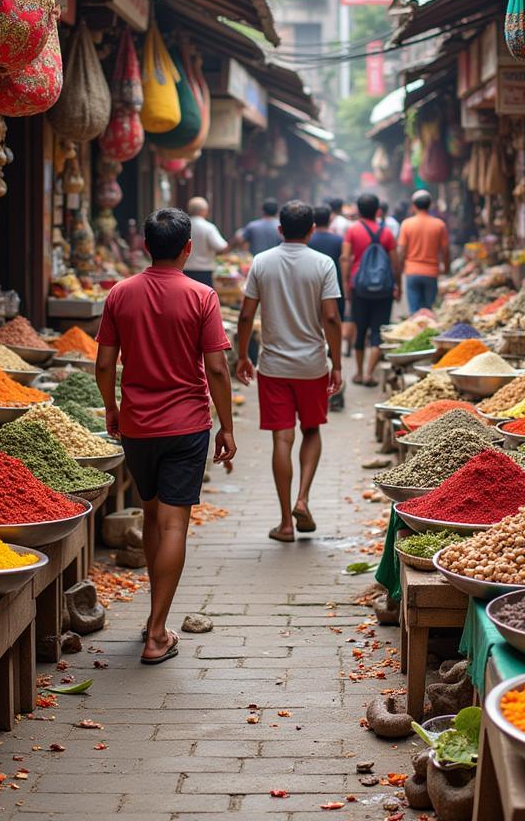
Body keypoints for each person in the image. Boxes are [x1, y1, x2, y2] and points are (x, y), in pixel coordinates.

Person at [96, 208, 236, 665]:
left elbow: (104, 364)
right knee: (174, 524)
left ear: (145, 246)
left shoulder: (120, 293)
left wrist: (112, 408)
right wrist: (227, 425)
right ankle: (157, 632)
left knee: (152, 515)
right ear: (188, 248)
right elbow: (216, 367)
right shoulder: (202, 296)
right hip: (187, 424)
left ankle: (154, 618)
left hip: (137, 425)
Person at [235, 201, 342, 542]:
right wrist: (336, 363)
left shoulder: (262, 262)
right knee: (311, 430)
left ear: (280, 230)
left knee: (282, 438)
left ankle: (284, 523)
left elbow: (245, 315)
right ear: (312, 230)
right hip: (312, 365)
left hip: (273, 365)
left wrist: (242, 356)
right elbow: (331, 318)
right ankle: (303, 499)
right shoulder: (323, 263)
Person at [341, 192, 399, 387]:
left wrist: (346, 283)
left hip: (360, 287)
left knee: (360, 327)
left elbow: (345, 258)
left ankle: (358, 372)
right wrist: (397, 284)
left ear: (358, 209)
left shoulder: (352, 231)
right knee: (378, 330)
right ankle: (369, 373)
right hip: (383, 288)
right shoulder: (387, 233)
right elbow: (395, 263)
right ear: (378, 210)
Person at [308, 205, 345, 412]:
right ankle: (333, 389)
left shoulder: (307, 241)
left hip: (307, 296)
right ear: (329, 220)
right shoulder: (338, 241)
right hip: (332, 293)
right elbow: (332, 317)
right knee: (329, 334)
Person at [399, 189, 451, 313]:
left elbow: (402, 251)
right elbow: (446, 251)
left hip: (412, 271)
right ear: (430, 205)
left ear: (413, 206)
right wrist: (447, 268)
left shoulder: (407, 224)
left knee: (415, 312)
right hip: (431, 272)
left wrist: (401, 269)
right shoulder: (439, 225)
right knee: (429, 311)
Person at [184, 196, 227, 288]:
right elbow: (221, 247)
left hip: (184, 270)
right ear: (204, 210)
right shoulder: (208, 227)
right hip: (203, 272)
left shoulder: (182, 226)